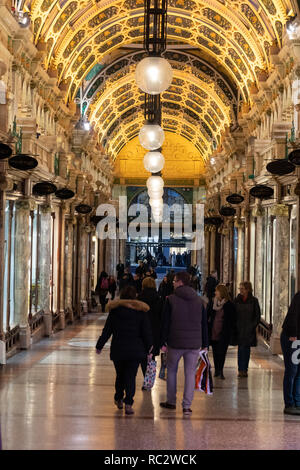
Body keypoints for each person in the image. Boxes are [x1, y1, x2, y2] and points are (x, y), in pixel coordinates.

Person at [95, 286, 153, 415]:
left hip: (118, 349)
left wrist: (99, 345)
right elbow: (146, 332)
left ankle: (118, 398)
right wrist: (150, 347)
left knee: (120, 375)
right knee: (131, 376)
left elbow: (107, 330)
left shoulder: (115, 312)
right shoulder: (141, 312)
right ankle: (129, 403)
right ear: (135, 297)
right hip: (136, 350)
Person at [160, 271, 208, 415]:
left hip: (175, 342)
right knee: (190, 373)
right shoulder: (200, 301)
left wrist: (162, 341)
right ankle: (187, 405)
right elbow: (204, 324)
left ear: (181, 282)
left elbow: (165, 323)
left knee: (172, 372)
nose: (173, 283)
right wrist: (205, 343)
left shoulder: (171, 300)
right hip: (194, 344)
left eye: (175, 281)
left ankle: (171, 401)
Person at [138, 277, 163, 383]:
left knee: (143, 355)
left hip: (141, 330)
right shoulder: (159, 298)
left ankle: (146, 377)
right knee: (151, 356)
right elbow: (162, 317)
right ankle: (149, 380)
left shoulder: (139, 298)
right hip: (155, 331)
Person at [234, 281, 261, 378]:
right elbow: (234, 314)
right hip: (240, 328)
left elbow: (257, 316)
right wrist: (236, 325)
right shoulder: (237, 300)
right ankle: (241, 369)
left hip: (249, 329)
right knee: (241, 349)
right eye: (239, 288)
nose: (240, 290)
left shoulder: (254, 301)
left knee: (247, 350)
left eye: (242, 289)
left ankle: (245, 369)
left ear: (248, 289)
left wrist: (252, 325)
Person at [210, 284, 236, 379]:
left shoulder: (229, 305)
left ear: (221, 292)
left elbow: (232, 319)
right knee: (215, 352)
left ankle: (221, 370)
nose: (215, 292)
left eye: (216, 291)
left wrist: (229, 330)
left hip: (224, 332)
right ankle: (217, 370)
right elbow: (209, 315)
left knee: (222, 352)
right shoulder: (213, 303)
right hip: (214, 331)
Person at [280, 291, 300, 415]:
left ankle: (297, 402)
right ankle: (289, 403)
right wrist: (293, 334)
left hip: (297, 338)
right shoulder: (299, 297)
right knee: (292, 370)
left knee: (298, 372)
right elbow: (293, 315)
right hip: (292, 338)